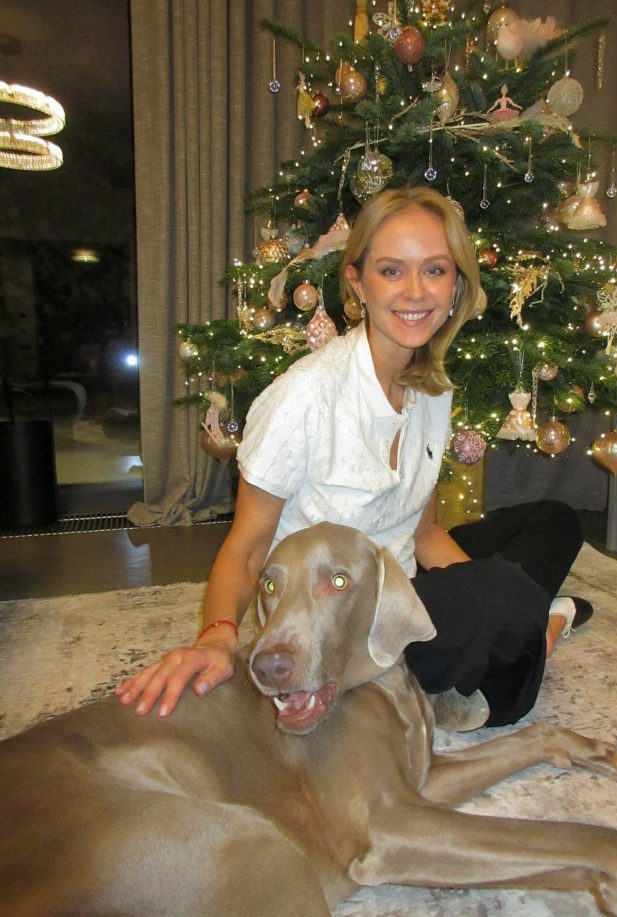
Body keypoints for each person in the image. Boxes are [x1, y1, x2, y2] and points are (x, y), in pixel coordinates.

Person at [117, 187, 592, 728]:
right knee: (503, 596)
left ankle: (523, 620)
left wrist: (483, 594)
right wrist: (217, 639)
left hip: (402, 579)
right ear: (358, 282)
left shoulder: (433, 391)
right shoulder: (305, 397)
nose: (415, 291)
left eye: (435, 270)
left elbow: (423, 532)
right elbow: (246, 551)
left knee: (554, 522)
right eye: (391, 271)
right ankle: (522, 636)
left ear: (457, 285)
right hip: (340, 613)